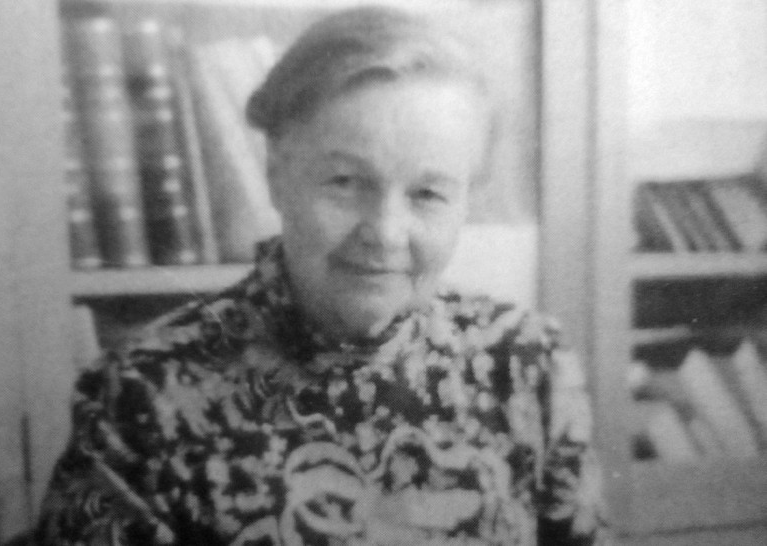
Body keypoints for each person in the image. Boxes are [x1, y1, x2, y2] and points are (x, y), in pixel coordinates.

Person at [36, 6, 609, 545]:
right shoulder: (141, 394)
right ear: (277, 174)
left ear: (467, 201)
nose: (385, 232)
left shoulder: (528, 364)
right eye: (345, 182)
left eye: (428, 194)